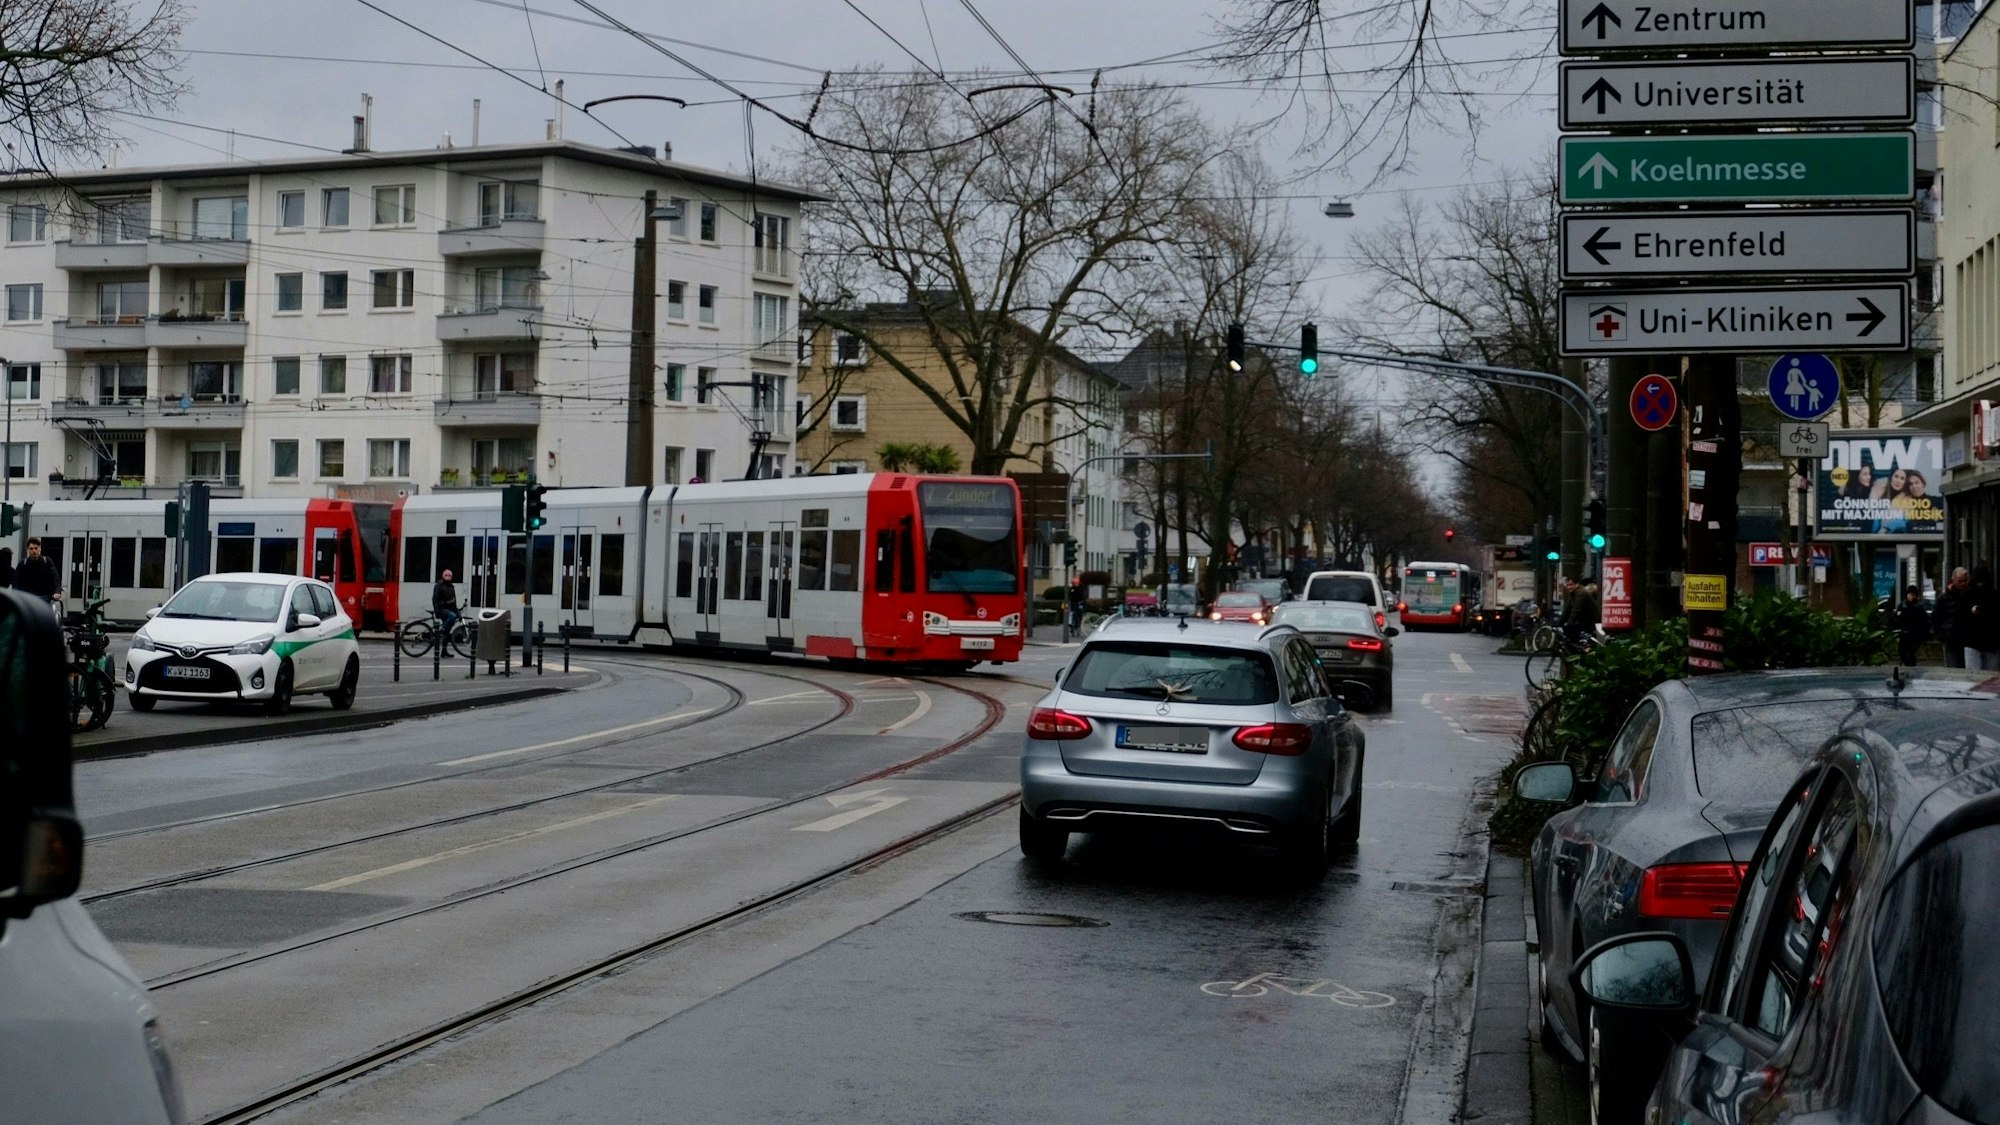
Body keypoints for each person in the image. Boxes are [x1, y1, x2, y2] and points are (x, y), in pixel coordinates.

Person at [1966, 566, 2000, 671]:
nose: (1980, 585)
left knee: (1978, 675)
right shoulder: (1968, 596)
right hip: (1981, 641)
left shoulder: (1968, 595)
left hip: (1987, 641)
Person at [1937, 567, 1970, 669]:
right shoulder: (1944, 598)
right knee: (1954, 667)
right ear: (1954, 580)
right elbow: (1936, 617)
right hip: (1951, 638)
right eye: (1960, 581)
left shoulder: (1969, 595)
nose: (1963, 584)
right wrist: (1941, 635)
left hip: (1967, 638)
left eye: (1965, 581)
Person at [12, 538, 58, 608]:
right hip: (27, 598)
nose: (34, 551)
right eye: (31, 548)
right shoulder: (23, 564)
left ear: (40, 548)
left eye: (36, 548)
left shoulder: (47, 562)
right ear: (27, 550)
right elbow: (16, 581)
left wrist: (57, 592)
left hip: (45, 598)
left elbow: (55, 577)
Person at [1893, 584, 1930, 667]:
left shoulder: (1918, 607)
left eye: (1913, 595)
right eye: (1910, 594)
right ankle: (1909, 664)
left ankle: (1911, 666)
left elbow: (1924, 621)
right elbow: (1896, 617)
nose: (1911, 597)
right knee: (1902, 651)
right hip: (1904, 632)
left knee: (1911, 652)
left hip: (1915, 633)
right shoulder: (1903, 605)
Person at [1561, 576, 1598, 645]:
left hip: (1591, 621)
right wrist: (1559, 623)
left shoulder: (1581, 593)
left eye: (1571, 585)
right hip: (1584, 620)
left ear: (1577, 584)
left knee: (1577, 636)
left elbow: (1576, 610)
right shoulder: (1572, 593)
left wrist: (1569, 623)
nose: (1568, 587)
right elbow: (1567, 609)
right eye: (1567, 585)